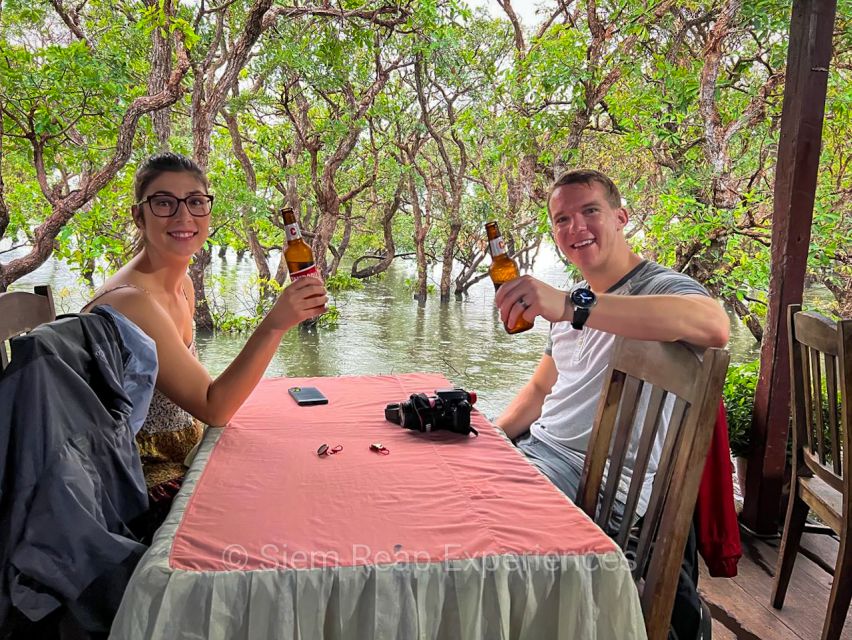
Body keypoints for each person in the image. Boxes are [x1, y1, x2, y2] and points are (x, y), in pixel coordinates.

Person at [493, 169, 729, 639]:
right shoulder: (574, 296)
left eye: (589, 211)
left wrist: (573, 307)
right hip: (540, 455)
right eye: (561, 219)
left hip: (600, 483)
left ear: (621, 217)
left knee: (480, 538)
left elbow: (714, 324)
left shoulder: (657, 286)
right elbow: (541, 392)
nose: (575, 228)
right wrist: (493, 439)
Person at [83, 152, 327, 534]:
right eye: (164, 203)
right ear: (139, 215)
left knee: (306, 465)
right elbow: (215, 408)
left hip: (188, 453)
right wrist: (276, 324)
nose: (184, 217)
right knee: (287, 514)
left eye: (196, 202)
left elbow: (200, 396)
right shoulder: (131, 301)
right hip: (140, 483)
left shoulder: (180, 285)